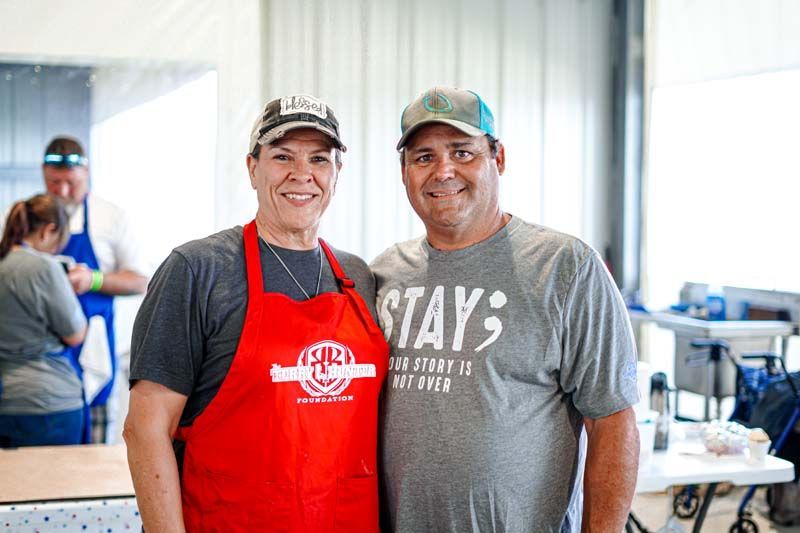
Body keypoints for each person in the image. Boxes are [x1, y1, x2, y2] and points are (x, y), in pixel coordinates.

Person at [371, 87, 640, 532]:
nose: (443, 171)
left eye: (462, 152)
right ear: (404, 173)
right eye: (423, 157)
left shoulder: (565, 269)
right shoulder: (384, 274)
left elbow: (612, 420)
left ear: (498, 159)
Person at [124, 94, 388, 532]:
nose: (301, 174)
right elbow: (146, 430)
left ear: (337, 173)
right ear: (252, 169)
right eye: (282, 156)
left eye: (319, 159)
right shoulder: (198, 270)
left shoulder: (358, 277)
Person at [41, 136, 148, 444]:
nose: (62, 191)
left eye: (71, 183)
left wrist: (93, 280)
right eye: (54, 183)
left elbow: (139, 281)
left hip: (94, 350)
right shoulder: (23, 217)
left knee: (92, 451)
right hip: (40, 357)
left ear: (86, 173)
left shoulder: (110, 217)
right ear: (43, 174)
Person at [0, 194, 88, 447]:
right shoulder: (44, 267)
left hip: (6, 399)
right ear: (48, 230)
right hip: (48, 400)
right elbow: (75, 334)